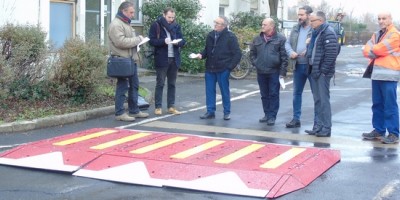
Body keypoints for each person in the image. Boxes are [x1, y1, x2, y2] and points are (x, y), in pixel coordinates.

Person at [361, 11, 400, 144]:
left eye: (384, 18)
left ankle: (394, 133)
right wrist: (374, 50)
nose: (381, 21)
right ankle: (379, 130)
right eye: (379, 18)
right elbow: (366, 50)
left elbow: (377, 50)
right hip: (377, 74)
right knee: (377, 104)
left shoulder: (395, 34)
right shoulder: (377, 34)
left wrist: (375, 50)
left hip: (389, 76)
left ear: (390, 19)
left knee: (390, 105)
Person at [193, 16, 242, 120]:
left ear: (224, 26)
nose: (215, 24)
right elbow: (207, 50)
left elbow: (237, 54)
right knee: (209, 91)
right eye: (215, 22)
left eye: (217, 23)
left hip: (223, 68)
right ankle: (210, 112)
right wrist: (201, 55)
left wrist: (229, 67)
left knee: (224, 91)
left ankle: (226, 112)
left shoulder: (230, 37)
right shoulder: (211, 35)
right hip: (210, 68)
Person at [108, 1, 149, 121]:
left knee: (134, 86)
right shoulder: (116, 24)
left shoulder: (126, 23)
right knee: (122, 87)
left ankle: (134, 110)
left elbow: (128, 41)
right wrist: (137, 40)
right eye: (131, 12)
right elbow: (120, 42)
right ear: (123, 11)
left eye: (134, 12)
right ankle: (119, 113)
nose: (133, 15)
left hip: (130, 61)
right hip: (122, 61)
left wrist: (138, 43)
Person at [305, 11, 339, 137]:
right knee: (318, 100)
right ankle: (318, 126)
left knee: (324, 101)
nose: (310, 23)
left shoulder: (328, 32)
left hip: (322, 73)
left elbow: (331, 54)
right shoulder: (317, 33)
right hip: (315, 71)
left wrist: (323, 71)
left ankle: (326, 127)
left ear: (320, 20)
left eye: (312, 21)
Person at [250, 18, 288, 126]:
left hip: (274, 71)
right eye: (262, 24)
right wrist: (256, 63)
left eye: (265, 25)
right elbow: (252, 53)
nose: (262, 26)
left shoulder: (280, 39)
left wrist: (282, 73)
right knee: (264, 95)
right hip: (261, 71)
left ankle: (272, 116)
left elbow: (284, 57)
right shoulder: (257, 39)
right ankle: (266, 114)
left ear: (271, 26)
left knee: (273, 94)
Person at [149, 7, 186, 116]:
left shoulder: (176, 26)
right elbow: (151, 41)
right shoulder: (156, 25)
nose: (171, 19)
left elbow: (183, 41)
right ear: (164, 15)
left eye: (173, 17)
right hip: (162, 58)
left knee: (172, 84)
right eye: (169, 17)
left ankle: (171, 106)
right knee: (160, 83)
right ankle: (158, 107)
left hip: (174, 58)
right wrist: (163, 41)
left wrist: (177, 43)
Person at [285, 6, 313, 128]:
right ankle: (296, 119)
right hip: (298, 65)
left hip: (311, 65)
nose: (299, 17)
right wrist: (290, 52)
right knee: (296, 93)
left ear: (308, 15)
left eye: (302, 15)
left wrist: (308, 49)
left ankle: (318, 122)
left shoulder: (315, 28)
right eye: (299, 15)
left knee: (316, 94)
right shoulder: (295, 28)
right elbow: (287, 43)